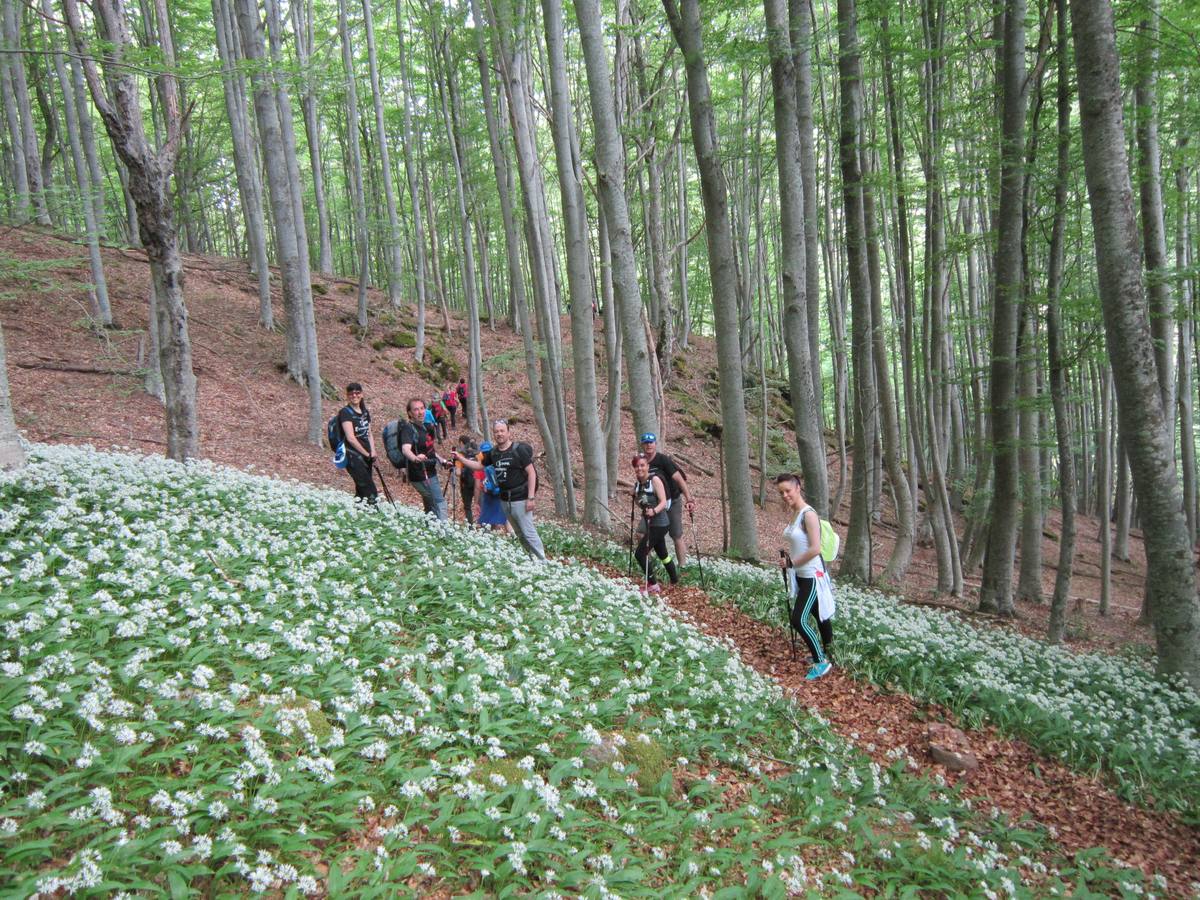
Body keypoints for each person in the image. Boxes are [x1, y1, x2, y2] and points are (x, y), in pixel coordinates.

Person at [455, 419, 545, 560]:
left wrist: (531, 497)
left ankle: (542, 560)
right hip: (504, 500)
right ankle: (532, 559)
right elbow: (480, 466)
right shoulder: (493, 453)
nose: (499, 434)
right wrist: (461, 459)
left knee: (528, 532)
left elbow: (531, 473)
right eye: (496, 431)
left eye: (502, 431)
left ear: (508, 432)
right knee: (519, 532)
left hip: (521, 498)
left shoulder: (519, 450)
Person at [775, 472, 834, 680]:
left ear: (798, 487)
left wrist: (791, 562)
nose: (784, 495)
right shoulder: (795, 513)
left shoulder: (808, 514)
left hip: (811, 575)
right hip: (801, 573)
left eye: (788, 491)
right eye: (781, 492)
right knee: (820, 617)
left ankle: (821, 661)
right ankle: (830, 653)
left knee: (798, 619)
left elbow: (816, 548)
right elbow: (801, 543)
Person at [638, 433, 695, 566]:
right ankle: (650, 565)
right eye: (646, 443)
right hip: (654, 503)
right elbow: (643, 485)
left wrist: (689, 499)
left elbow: (679, 479)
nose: (648, 445)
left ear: (655, 444)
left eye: (651, 443)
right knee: (641, 533)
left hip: (673, 500)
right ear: (642, 445)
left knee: (676, 535)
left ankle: (682, 566)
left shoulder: (663, 460)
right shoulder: (642, 463)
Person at [632, 454, 678, 593]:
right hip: (651, 524)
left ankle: (653, 584)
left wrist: (654, 511)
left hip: (661, 523)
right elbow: (642, 503)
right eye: (637, 466)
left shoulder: (655, 480)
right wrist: (635, 497)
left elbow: (663, 502)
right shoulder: (638, 485)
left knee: (640, 554)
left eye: (642, 465)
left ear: (647, 466)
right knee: (663, 554)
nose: (639, 468)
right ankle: (674, 580)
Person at [400, 399, 448, 520]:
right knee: (440, 503)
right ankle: (446, 535)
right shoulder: (408, 428)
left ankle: (430, 530)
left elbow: (430, 450)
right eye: (416, 409)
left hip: (430, 470)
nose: (420, 412)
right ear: (410, 413)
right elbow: (405, 449)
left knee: (430, 505)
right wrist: (416, 459)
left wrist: (442, 460)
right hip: (420, 473)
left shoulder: (426, 427)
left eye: (422, 408)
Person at [337, 383, 378, 505]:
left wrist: (373, 452)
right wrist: (366, 453)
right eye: (351, 393)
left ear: (362, 394)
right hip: (353, 456)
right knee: (369, 490)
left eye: (357, 393)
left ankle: (358, 515)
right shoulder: (345, 412)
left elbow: (369, 434)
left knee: (361, 490)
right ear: (347, 396)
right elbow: (350, 438)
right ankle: (373, 515)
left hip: (367, 455)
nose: (354, 395)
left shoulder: (365, 412)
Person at [476, 440, 507, 531]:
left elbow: (477, 486)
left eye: (487, 452)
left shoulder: (494, 462)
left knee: (491, 520)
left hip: (494, 495)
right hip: (491, 495)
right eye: (484, 452)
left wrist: (476, 502)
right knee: (490, 520)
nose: (486, 454)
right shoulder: (486, 464)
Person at [456, 433, 480, 524]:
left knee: (467, 507)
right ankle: (483, 526)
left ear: (461, 443)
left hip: (466, 485)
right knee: (480, 505)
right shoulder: (478, 453)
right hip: (478, 483)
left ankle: (470, 526)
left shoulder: (460, 455)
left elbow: (458, 473)